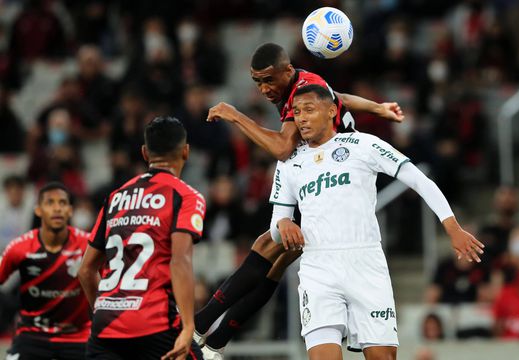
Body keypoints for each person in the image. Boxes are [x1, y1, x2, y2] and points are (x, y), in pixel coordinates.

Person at [195, 42, 404, 358]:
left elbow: (282, 148)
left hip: (327, 178)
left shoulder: (301, 92)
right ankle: (216, 340)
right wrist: (376, 108)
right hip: (326, 176)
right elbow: (339, 98)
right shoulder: (308, 83)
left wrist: (234, 115)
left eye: (269, 79)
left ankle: (199, 325)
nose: (265, 88)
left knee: (268, 246)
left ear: (287, 71)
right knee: (275, 263)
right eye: (257, 82)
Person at [268, 85, 484, 360]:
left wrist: (452, 227)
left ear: (332, 110)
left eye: (309, 109)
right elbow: (276, 226)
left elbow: (419, 180)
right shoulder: (288, 162)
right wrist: (283, 225)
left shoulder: (364, 145)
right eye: (297, 112)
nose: (302, 118)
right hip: (318, 268)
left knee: (382, 356)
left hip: (365, 262)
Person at [78, 116, 205, 360]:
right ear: (186, 152)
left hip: (105, 325)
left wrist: (102, 309)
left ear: (145, 153)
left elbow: (85, 270)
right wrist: (188, 326)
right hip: (153, 323)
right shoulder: (185, 196)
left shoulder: (115, 198)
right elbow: (179, 261)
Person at [0, 182, 91, 359]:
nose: (57, 208)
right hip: (32, 336)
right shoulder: (20, 247)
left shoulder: (88, 246)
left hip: (77, 337)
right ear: (38, 210)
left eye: (62, 203)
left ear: (70, 210)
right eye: (50, 202)